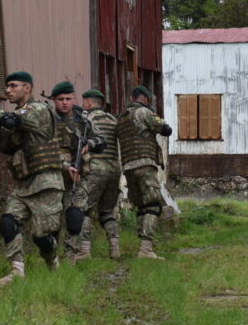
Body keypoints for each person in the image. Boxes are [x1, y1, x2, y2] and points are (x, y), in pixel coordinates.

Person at [0, 71, 65, 286]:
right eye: (7, 86)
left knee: (42, 236)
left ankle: (53, 262)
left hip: (46, 183)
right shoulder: (20, 115)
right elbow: (6, 145)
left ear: (27, 88)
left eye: (13, 86)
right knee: (8, 222)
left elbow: (10, 119)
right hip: (24, 184)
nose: (8, 90)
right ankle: (17, 271)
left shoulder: (38, 110)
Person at [46, 81, 104, 263]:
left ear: (74, 99)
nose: (64, 102)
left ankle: (70, 255)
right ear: (54, 100)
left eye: (68, 99)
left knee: (75, 215)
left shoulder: (83, 121)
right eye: (60, 99)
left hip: (78, 177)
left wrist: (90, 144)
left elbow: (102, 140)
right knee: (51, 220)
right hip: (52, 176)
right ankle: (52, 256)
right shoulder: (47, 120)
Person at [116, 86, 172, 259]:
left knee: (141, 206)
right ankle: (146, 248)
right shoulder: (143, 112)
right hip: (145, 165)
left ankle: (142, 246)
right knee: (153, 204)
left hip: (128, 168)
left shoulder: (122, 118)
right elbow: (166, 129)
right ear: (145, 99)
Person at [74, 89, 122, 261]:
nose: (81, 104)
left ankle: (84, 251)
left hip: (95, 168)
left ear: (88, 103)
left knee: (84, 209)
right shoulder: (112, 119)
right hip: (114, 169)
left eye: (83, 101)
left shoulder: (87, 119)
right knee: (107, 211)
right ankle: (114, 247)